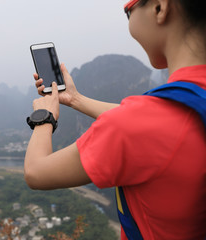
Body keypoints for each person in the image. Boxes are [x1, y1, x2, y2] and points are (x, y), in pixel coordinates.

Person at [24, 0, 206, 239]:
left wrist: (44, 117)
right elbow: (152, 122)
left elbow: (36, 172)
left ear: (160, 8)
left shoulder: (137, 125)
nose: (128, 14)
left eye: (128, 9)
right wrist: (76, 100)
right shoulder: (182, 106)